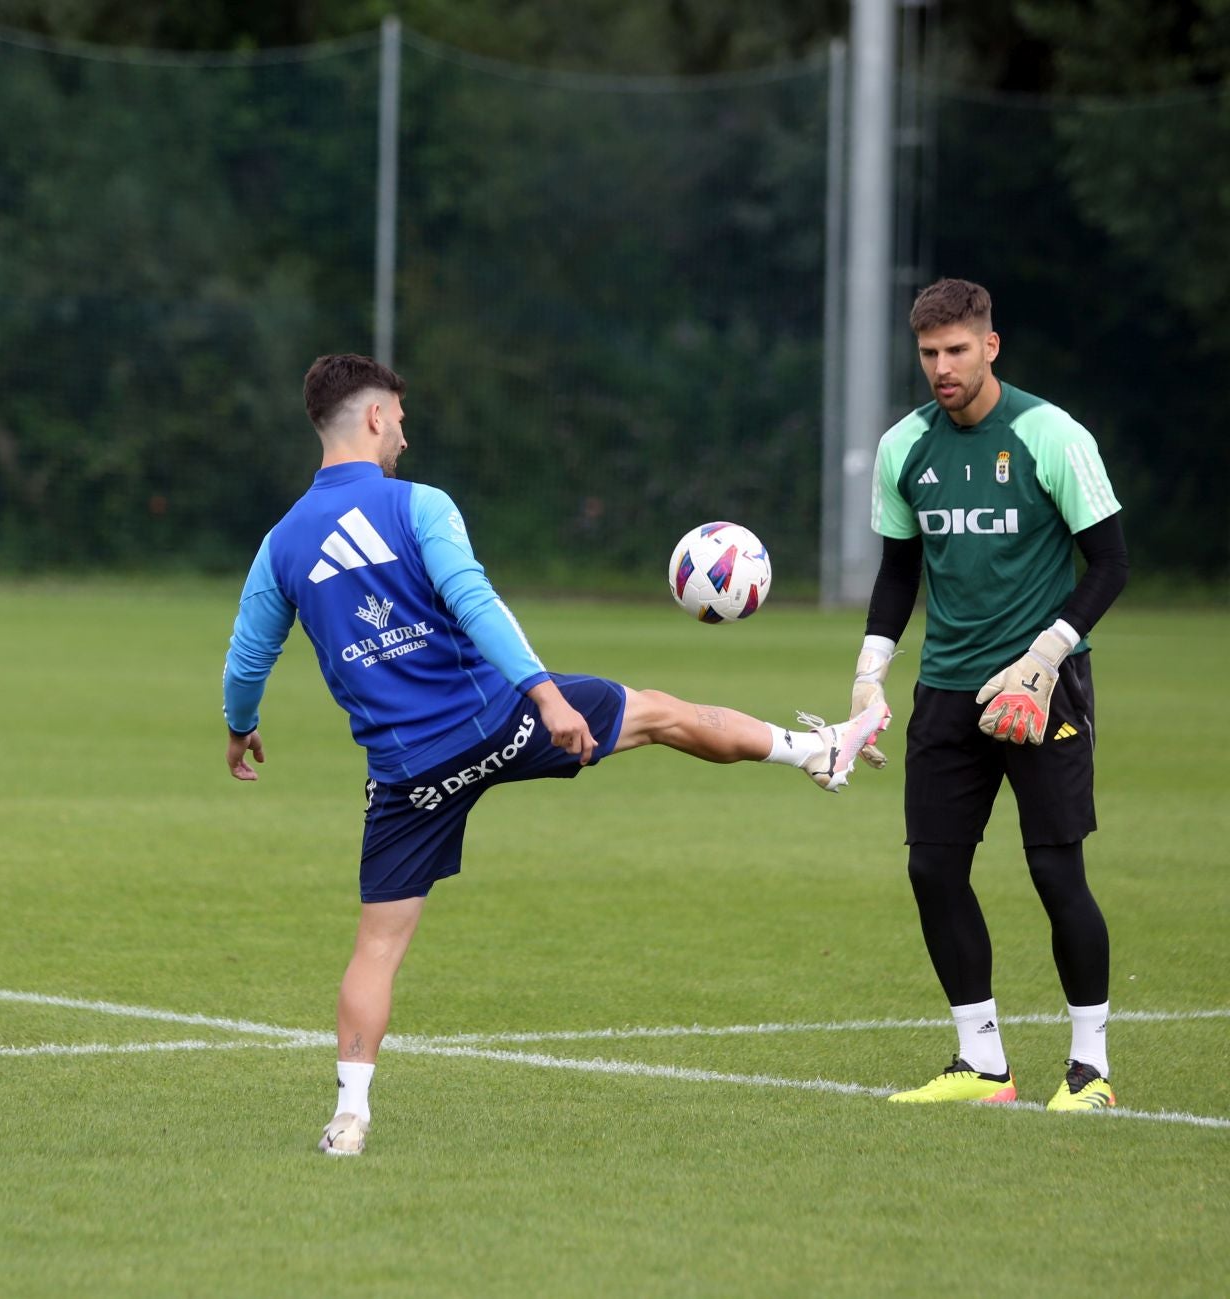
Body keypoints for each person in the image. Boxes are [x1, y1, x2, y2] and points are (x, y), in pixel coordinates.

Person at [222, 354, 887, 1156]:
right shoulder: (417, 505)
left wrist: (240, 722)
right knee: (662, 715)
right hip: (496, 719)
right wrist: (545, 696)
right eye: (398, 415)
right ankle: (814, 751)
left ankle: (350, 1116)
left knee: (378, 946)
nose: (405, 429)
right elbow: (476, 601)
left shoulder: (281, 543)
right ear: (371, 417)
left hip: (407, 774)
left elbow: (247, 656)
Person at [847, 279, 1128, 1112]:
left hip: (1042, 689)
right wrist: (870, 675)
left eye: (957, 351)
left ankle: (1090, 1070)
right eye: (930, 353)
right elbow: (900, 572)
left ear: (990, 347)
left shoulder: (1049, 434)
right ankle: (982, 1065)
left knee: (1055, 873)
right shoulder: (906, 447)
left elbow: (1110, 563)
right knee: (932, 866)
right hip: (946, 689)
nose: (942, 367)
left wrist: (1046, 654)